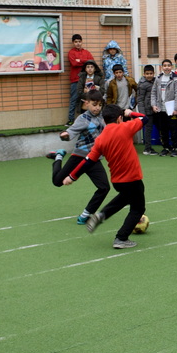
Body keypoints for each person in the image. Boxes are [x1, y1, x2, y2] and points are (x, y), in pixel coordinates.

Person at [64, 105, 147, 249]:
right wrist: (131, 112)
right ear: (120, 118)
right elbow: (144, 118)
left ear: (104, 119)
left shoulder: (101, 139)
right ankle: (121, 238)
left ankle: (101, 215)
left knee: (125, 197)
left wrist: (72, 176)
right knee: (138, 208)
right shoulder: (125, 128)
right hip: (132, 177)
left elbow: (88, 161)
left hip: (117, 180)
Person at [47, 90, 110, 226]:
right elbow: (71, 131)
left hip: (94, 159)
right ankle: (58, 156)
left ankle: (85, 215)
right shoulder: (82, 118)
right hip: (79, 156)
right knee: (58, 182)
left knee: (104, 188)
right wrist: (65, 134)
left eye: (100, 105)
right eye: (94, 105)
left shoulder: (102, 117)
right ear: (87, 103)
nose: (97, 108)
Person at [150, 58, 177, 156]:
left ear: (171, 67)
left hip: (171, 109)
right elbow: (153, 93)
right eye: (165, 66)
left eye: (168, 65)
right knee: (163, 129)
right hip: (161, 109)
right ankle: (165, 147)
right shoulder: (158, 78)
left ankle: (175, 148)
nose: (167, 67)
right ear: (162, 67)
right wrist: (154, 105)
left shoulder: (175, 78)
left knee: (173, 129)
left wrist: (176, 108)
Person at [67, 34, 94, 123]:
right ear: (73, 43)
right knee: (74, 99)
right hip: (75, 79)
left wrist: (79, 60)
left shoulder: (86, 52)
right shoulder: (71, 52)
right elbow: (74, 64)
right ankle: (70, 120)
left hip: (87, 80)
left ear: (81, 42)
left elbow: (91, 62)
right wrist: (85, 61)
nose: (78, 43)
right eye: (76, 42)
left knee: (87, 99)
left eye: (79, 41)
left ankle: (88, 118)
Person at [136, 64, 156, 154]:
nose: (149, 75)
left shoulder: (155, 81)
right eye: (147, 74)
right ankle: (147, 148)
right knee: (148, 130)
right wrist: (142, 113)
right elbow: (139, 99)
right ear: (144, 74)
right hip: (147, 111)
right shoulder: (142, 85)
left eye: (151, 73)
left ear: (154, 73)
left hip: (154, 110)